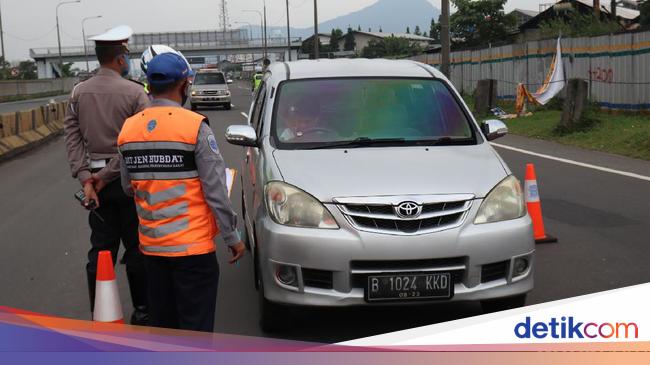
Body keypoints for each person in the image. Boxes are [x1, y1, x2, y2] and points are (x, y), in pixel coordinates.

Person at [117, 52, 246, 332]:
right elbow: (215, 191)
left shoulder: (128, 129)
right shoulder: (194, 126)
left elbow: (128, 187)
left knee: (165, 330)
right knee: (195, 330)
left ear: (148, 86)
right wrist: (232, 236)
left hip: (152, 251)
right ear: (184, 85)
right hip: (193, 253)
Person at [63, 25, 150, 325]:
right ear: (121, 58)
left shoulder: (78, 92)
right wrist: (109, 174)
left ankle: (100, 313)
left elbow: (72, 139)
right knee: (138, 250)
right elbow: (138, 144)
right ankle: (143, 311)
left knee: (100, 251)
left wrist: (87, 179)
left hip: (95, 189)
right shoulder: (136, 92)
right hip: (130, 185)